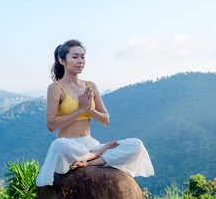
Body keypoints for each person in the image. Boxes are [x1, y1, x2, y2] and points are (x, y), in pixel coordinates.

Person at [36, 40, 154, 186]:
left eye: (82, 57)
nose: (80, 61)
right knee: (58, 145)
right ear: (62, 60)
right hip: (68, 145)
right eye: (75, 57)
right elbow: (51, 125)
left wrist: (90, 109)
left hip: (89, 143)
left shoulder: (90, 86)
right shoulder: (56, 88)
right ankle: (97, 155)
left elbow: (105, 120)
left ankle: (87, 162)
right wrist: (80, 109)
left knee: (136, 145)